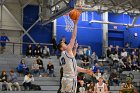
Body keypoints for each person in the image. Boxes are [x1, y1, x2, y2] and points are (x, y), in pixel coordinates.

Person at [58, 19, 93, 93]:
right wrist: (75, 24)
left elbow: (73, 64)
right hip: (71, 79)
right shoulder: (67, 50)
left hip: (64, 78)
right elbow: (73, 37)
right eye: (63, 43)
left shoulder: (62, 56)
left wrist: (85, 70)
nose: (65, 43)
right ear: (61, 48)